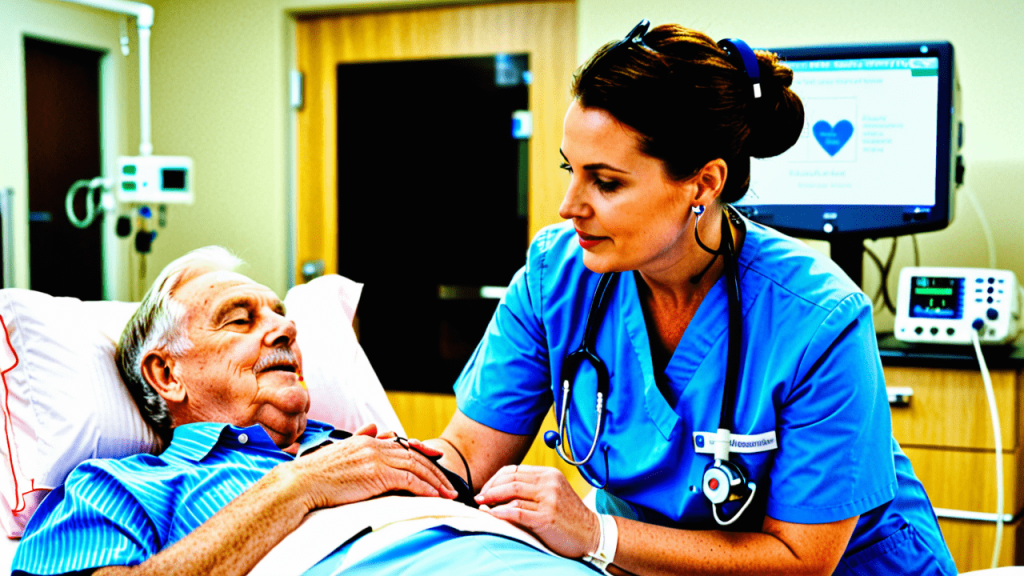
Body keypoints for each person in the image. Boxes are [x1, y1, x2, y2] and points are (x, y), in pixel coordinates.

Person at [427, 20, 958, 575]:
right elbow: (468, 456)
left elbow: (801, 561)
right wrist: (364, 463)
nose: (569, 206)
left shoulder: (819, 322)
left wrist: (595, 533)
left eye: (605, 183)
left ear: (704, 184)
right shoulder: (554, 278)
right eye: (571, 170)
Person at [11, 247, 604, 576]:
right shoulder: (120, 486)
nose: (285, 328)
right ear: (166, 375)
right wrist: (297, 487)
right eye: (241, 319)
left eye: (279, 314)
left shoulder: (366, 448)